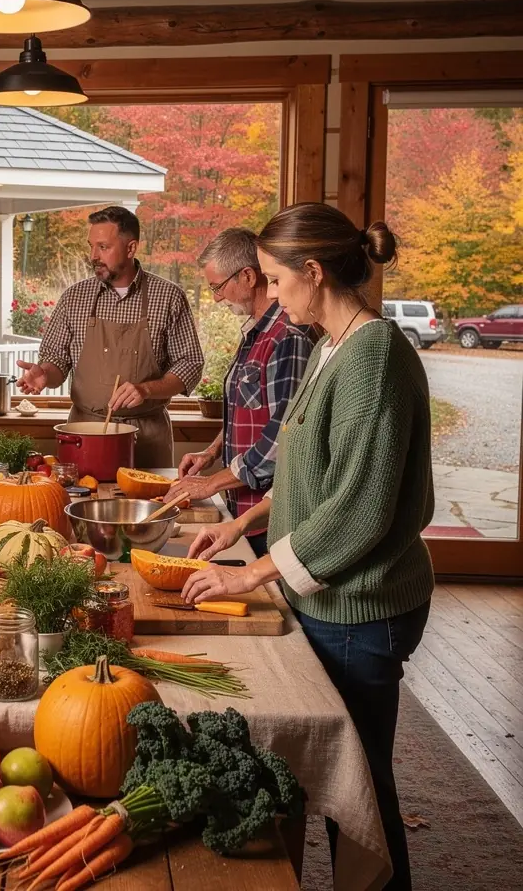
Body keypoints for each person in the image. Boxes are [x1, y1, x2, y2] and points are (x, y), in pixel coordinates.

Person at [182, 203, 434, 891]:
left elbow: (357, 509)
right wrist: (241, 524)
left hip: (363, 604)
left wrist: (250, 575)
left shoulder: (373, 357)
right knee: (336, 779)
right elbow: (308, 474)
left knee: (362, 794)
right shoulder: (332, 345)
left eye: (273, 277)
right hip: (327, 591)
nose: (269, 291)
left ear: (313, 272)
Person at [17, 206, 203, 467]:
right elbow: (56, 360)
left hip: (147, 436)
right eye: (91, 246)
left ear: (131, 248)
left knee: (151, 506)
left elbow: (190, 363)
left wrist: (146, 389)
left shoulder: (169, 297)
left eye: (103, 247)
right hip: (85, 433)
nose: (94, 256)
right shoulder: (74, 298)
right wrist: (46, 374)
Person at [168, 228, 315, 556]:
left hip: (268, 517)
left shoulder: (287, 338)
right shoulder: (255, 332)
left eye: (218, 286)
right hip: (242, 510)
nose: (217, 297)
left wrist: (210, 484)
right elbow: (247, 410)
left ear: (248, 275)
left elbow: (284, 438)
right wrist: (210, 453)